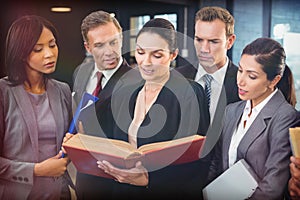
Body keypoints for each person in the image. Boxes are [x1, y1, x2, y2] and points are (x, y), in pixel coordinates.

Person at [95, 18, 210, 199]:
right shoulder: (125, 92)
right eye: (140, 52)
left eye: (156, 55)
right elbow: (110, 142)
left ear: (173, 55)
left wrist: (150, 179)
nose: (146, 62)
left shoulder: (189, 92)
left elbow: (198, 158)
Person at [207, 37, 299, 199]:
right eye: (240, 70)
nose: (240, 81)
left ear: (274, 80)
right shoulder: (231, 111)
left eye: (252, 76)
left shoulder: (285, 116)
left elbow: (273, 186)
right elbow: (216, 163)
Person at [0, 15, 72, 199]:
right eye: (38, 49)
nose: (49, 54)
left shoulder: (62, 90)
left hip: (58, 193)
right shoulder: (3, 92)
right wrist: (36, 170)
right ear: (21, 53)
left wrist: (73, 146)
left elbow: (68, 143)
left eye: (52, 44)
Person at [71, 10, 140, 199]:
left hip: (117, 185)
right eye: (100, 45)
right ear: (88, 47)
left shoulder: (137, 82)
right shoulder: (81, 73)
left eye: (114, 42)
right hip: (85, 180)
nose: (110, 51)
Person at [176, 6, 240, 124]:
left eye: (213, 41)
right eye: (199, 40)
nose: (204, 49)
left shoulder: (242, 83)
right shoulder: (177, 77)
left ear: (229, 41)